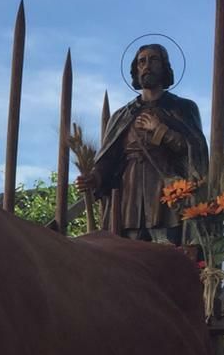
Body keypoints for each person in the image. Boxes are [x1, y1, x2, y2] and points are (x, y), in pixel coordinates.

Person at [77, 42, 208, 242]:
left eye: (153, 60)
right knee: (128, 254)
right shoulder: (122, 115)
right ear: (135, 70)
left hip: (166, 194)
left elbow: (195, 149)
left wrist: (160, 131)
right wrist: (95, 177)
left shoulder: (182, 108)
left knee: (168, 251)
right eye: (141, 61)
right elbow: (108, 158)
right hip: (129, 194)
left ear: (164, 67)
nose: (146, 66)